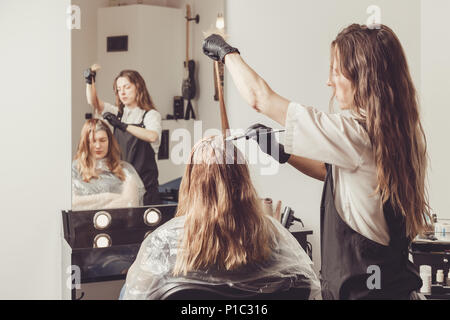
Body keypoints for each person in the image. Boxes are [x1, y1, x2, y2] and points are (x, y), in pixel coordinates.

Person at [202, 24, 431, 299]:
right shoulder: (398, 131)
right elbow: (332, 173)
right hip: (393, 288)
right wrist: (283, 154)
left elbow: (259, 98)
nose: (329, 81)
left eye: (336, 70)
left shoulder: (355, 133)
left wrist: (227, 53)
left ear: (362, 74)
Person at [121, 136, 321, 300]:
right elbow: (306, 288)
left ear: (190, 182)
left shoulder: (164, 241)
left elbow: (135, 296)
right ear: (243, 180)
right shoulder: (273, 235)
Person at [85, 68, 162, 205]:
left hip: (146, 188)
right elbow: (94, 102)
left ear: (138, 87)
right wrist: (89, 81)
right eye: (119, 89)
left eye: (127, 87)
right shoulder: (117, 113)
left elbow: (152, 136)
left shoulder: (150, 115)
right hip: (122, 188)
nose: (123, 92)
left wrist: (123, 126)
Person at [72, 119, 145, 210]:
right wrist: (109, 197)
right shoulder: (74, 170)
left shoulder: (126, 170)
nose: (98, 146)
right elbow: (72, 203)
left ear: (109, 142)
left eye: (103, 140)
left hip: (118, 223)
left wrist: (89, 203)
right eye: (93, 141)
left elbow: (130, 203)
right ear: (85, 143)